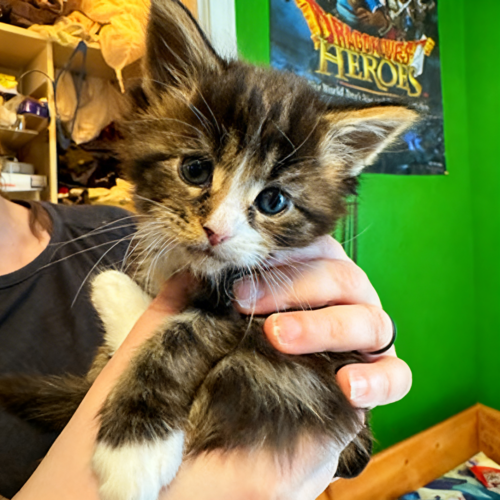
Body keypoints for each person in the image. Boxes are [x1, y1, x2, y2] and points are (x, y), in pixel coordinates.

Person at [0, 194, 411, 500]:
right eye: (196, 170)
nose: (215, 226)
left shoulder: (119, 228)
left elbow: (321, 467)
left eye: (271, 200)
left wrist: (342, 383)